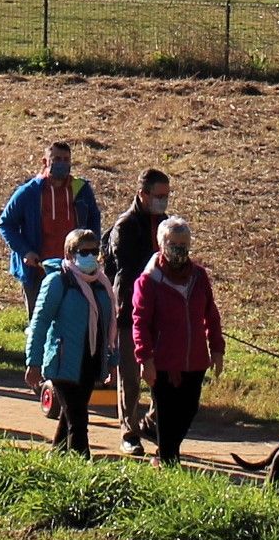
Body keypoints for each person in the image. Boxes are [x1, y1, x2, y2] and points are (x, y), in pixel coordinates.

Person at [128, 216, 224, 465]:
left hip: (195, 361)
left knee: (188, 411)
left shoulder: (199, 276)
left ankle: (155, 437)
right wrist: (145, 359)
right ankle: (169, 462)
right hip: (163, 363)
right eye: (174, 243)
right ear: (162, 244)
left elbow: (210, 314)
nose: (180, 249)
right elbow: (140, 322)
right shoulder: (148, 281)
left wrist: (217, 348)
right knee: (169, 416)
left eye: (184, 243)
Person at [24, 227, 111, 454]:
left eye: (94, 251)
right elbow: (39, 323)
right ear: (69, 254)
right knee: (79, 421)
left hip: (89, 363)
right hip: (63, 364)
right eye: (84, 251)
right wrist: (33, 362)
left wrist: (111, 361)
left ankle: (57, 458)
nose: (90, 256)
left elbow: (107, 328)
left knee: (71, 415)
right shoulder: (57, 282)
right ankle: (82, 471)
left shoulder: (102, 285)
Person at [104, 169, 173, 452]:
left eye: (166, 196)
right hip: (129, 310)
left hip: (162, 314)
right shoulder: (125, 226)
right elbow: (128, 272)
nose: (163, 201)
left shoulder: (168, 224)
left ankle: (152, 424)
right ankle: (129, 433)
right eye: (158, 196)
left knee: (163, 375)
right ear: (142, 194)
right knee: (131, 377)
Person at [0, 142, 99, 310]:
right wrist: (25, 251)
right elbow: (6, 224)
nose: (62, 163)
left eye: (66, 159)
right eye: (57, 159)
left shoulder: (81, 189)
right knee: (38, 323)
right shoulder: (29, 192)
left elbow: (94, 218)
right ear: (45, 162)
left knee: (72, 320)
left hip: (73, 269)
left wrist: (92, 248)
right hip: (38, 270)